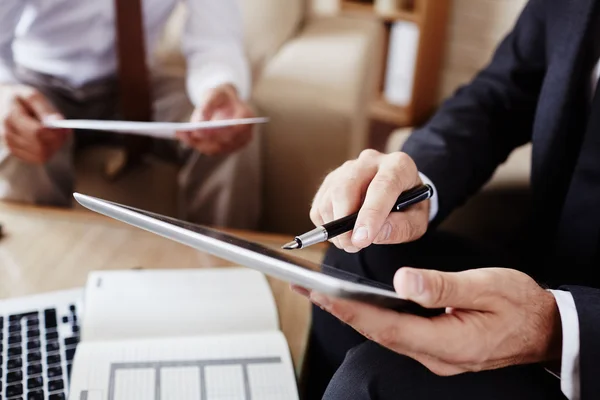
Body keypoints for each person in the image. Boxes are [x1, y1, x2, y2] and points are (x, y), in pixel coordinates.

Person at [297, 0, 600, 398]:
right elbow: (499, 96)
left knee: (372, 384)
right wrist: (413, 184)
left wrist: (556, 326)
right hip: (545, 265)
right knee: (358, 250)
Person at [0, 0, 260, 229]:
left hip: (138, 81)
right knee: (20, 141)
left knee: (229, 128)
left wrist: (220, 86)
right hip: (39, 82)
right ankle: (41, 273)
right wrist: (5, 93)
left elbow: (215, 40)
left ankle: (227, 272)